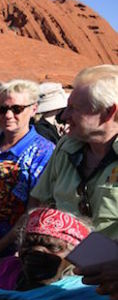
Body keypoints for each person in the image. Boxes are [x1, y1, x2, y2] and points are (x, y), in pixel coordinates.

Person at [0, 79, 55, 258]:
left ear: (33, 109)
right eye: (2, 109)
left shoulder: (43, 152)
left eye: (16, 109)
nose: (8, 115)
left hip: (10, 250)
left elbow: (34, 210)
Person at [30, 64, 118, 239]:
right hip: (56, 259)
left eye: (74, 109)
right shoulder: (65, 147)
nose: (63, 117)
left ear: (108, 112)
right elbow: (39, 201)